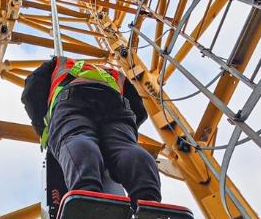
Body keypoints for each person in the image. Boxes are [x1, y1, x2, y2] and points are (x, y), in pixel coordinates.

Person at [21, 54, 162, 205]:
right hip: (116, 103)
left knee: (76, 138)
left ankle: (87, 194)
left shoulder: (59, 62)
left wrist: (44, 129)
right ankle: (149, 200)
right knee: (125, 147)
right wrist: (124, 133)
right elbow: (139, 110)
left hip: (72, 98)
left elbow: (31, 92)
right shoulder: (115, 74)